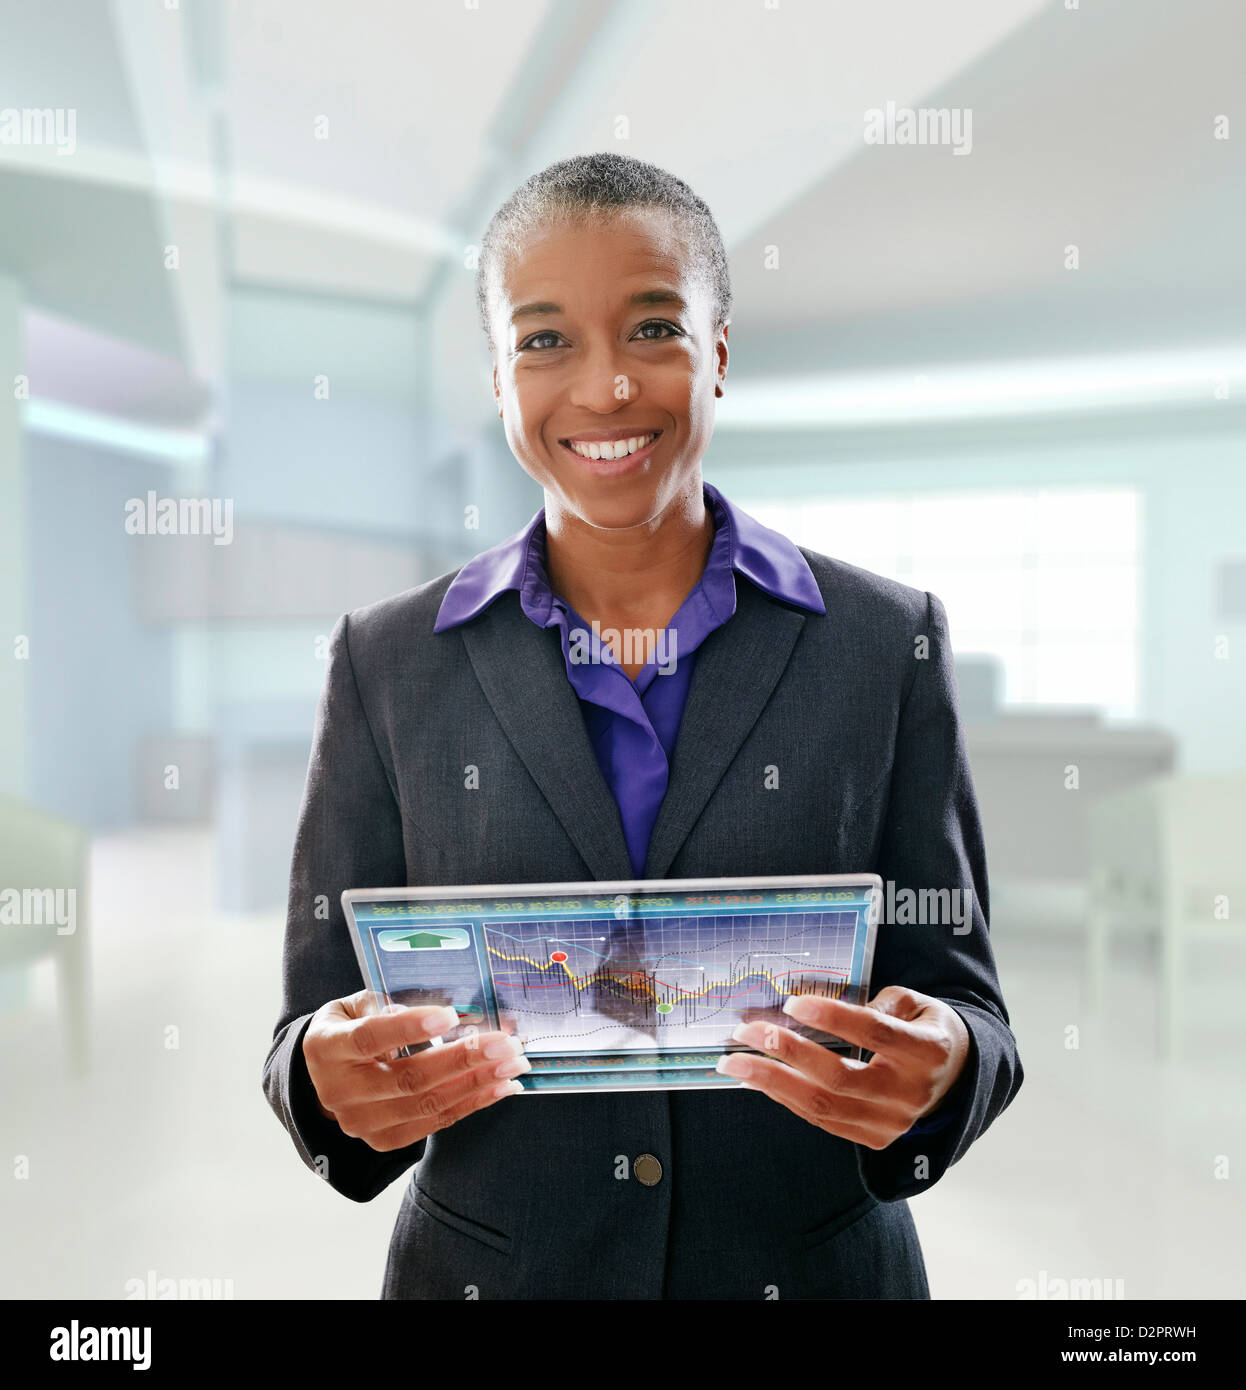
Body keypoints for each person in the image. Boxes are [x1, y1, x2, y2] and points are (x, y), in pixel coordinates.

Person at [262, 151, 1023, 1300]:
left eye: (654, 328)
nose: (606, 386)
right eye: (545, 338)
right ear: (498, 375)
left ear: (717, 353)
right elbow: (304, 1030)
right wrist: (324, 1080)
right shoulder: (385, 659)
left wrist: (949, 1062)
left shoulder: (885, 640)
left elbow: (969, 1002)